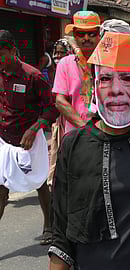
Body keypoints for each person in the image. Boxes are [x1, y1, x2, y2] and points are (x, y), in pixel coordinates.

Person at [48, 32, 130, 270]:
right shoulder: (73, 145)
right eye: (106, 79)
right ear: (95, 87)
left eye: (128, 79)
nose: (116, 89)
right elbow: (61, 228)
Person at [0, 30, 59, 245]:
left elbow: (52, 108)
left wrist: (35, 128)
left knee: (40, 182)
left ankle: (50, 226)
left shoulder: (33, 76)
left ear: (13, 51)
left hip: (30, 140)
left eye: (1, 54)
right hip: (4, 141)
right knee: (1, 187)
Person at [53, 11, 101, 134]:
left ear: (99, 35)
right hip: (76, 133)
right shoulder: (65, 64)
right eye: (81, 33)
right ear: (74, 35)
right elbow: (60, 101)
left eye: (91, 33)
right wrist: (85, 128)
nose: (86, 38)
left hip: (106, 132)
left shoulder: (107, 63)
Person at [47, 38, 74, 188]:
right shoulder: (53, 70)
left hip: (70, 118)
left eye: (61, 52)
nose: (57, 56)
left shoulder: (73, 68)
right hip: (58, 118)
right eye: (55, 52)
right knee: (56, 150)